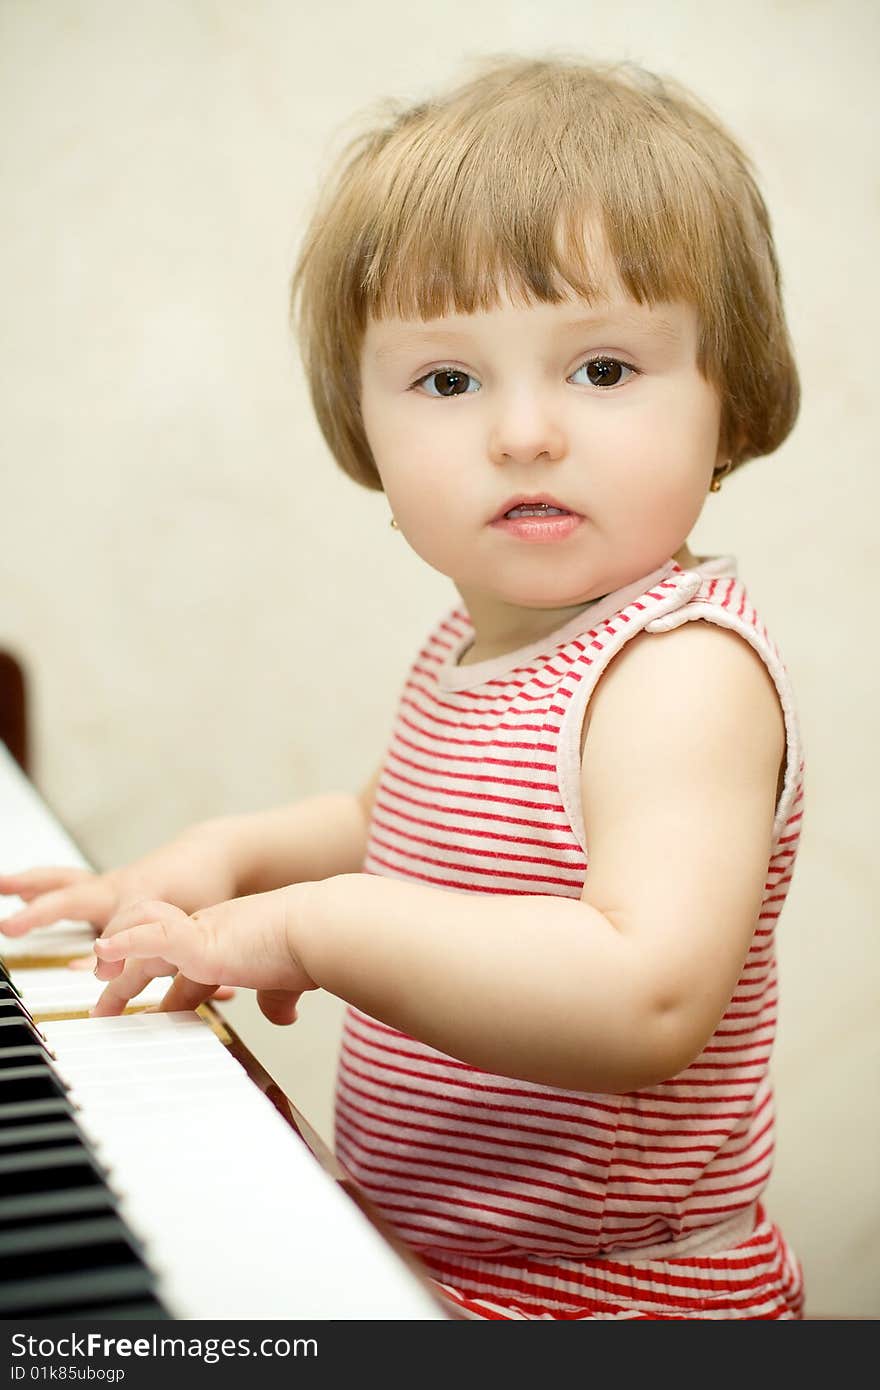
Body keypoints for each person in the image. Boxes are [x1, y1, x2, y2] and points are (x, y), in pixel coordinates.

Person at [0, 55, 806, 1319]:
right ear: (361, 428)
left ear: (731, 398)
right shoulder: (478, 643)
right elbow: (405, 817)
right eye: (448, 379)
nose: (524, 432)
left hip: (599, 1296)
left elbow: (642, 989)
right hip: (447, 1262)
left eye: (601, 369)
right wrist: (227, 857)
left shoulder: (677, 673)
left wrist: (313, 929)